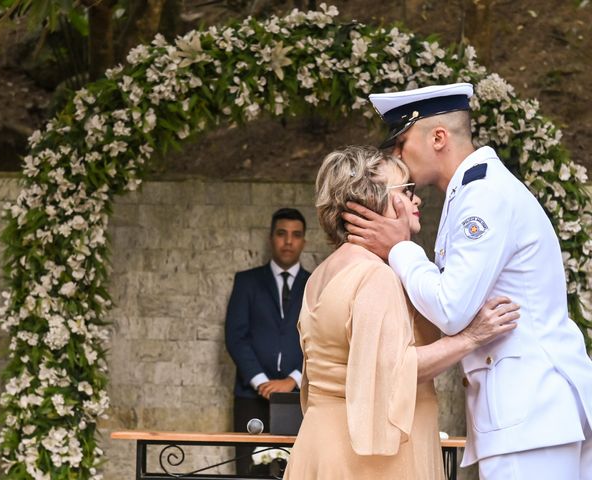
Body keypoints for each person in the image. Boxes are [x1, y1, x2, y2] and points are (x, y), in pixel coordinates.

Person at [342, 83, 592, 479]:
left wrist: (399, 248)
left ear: (437, 137)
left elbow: (452, 309)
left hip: (530, 414)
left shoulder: (483, 195)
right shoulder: (471, 191)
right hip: (531, 414)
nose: (395, 155)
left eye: (401, 142)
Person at [283, 146, 519, 480]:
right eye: (406, 191)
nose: (416, 200)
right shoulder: (375, 277)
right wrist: (471, 337)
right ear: (370, 201)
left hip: (320, 443)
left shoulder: (320, 275)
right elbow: (394, 372)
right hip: (368, 460)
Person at [225, 207, 310, 475]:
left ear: (303, 241)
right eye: (282, 233)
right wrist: (261, 382)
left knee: (296, 471)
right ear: (271, 237)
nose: (288, 241)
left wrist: (293, 380)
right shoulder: (246, 282)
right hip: (252, 396)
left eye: (296, 235)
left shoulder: (315, 284)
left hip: (299, 397)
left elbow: (319, 339)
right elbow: (236, 336)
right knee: (250, 471)